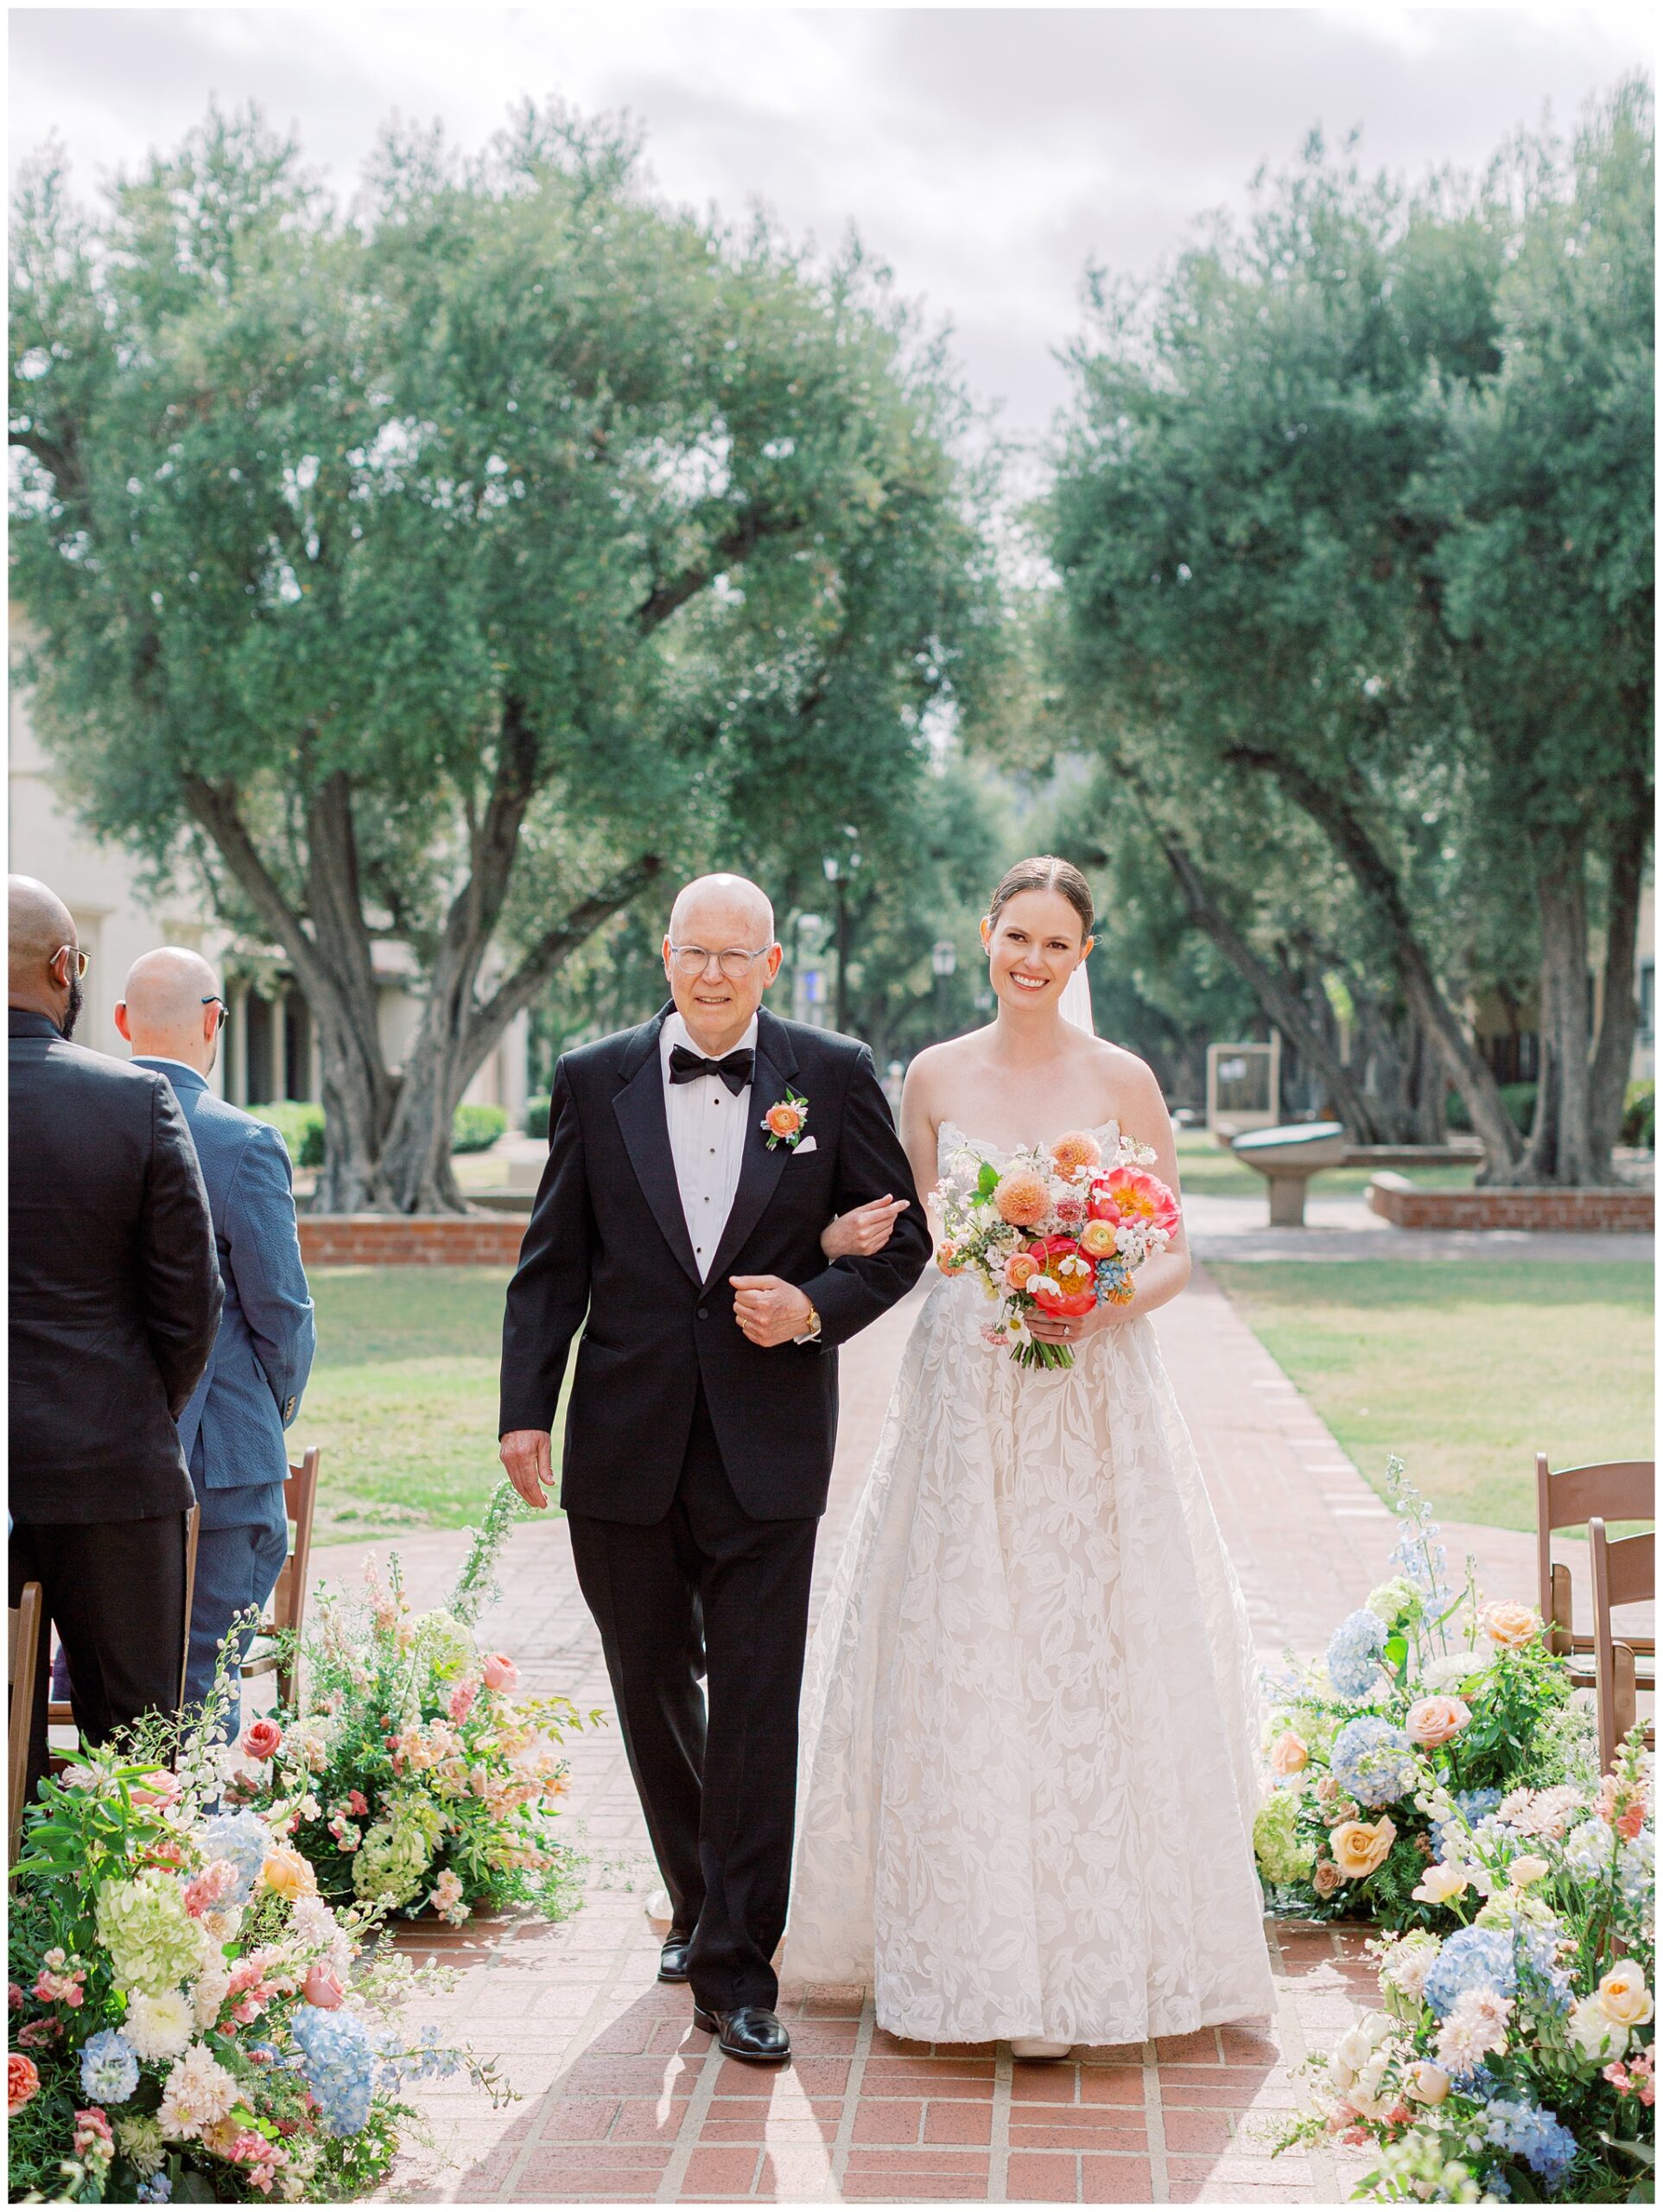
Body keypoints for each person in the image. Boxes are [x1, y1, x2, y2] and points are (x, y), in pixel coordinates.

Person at [784, 855, 1275, 2056]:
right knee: (964, 1640)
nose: (1033, 961)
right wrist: (843, 1237)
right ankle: (973, 1948)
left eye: (1058, 944)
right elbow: (918, 1238)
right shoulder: (935, 1074)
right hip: (964, 1391)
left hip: (1094, 1393)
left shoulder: (1125, 1079)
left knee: (1090, 1642)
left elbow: (1167, 1252)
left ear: (1083, 957)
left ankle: (1096, 1955)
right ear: (986, 933)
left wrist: (1102, 1306)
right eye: (1018, 937)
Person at [498, 874, 930, 2065]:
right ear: (667, 956)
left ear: (772, 962)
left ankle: (741, 1967)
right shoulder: (594, 1077)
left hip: (768, 1441)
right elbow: (553, 1262)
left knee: (752, 1704)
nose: (714, 974)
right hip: (624, 1443)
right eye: (696, 953)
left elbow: (901, 1242)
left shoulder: (832, 1074)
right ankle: (696, 1897)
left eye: (736, 956)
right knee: (647, 1680)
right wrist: (525, 1409)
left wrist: (811, 1306)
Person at [8, 877, 222, 1802]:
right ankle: (123, 1945)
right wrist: (137, 1408)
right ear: (65, 966)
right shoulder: (131, 1100)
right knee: (135, 1758)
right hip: (112, 1466)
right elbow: (190, 1305)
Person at [116, 947, 316, 1733]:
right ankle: (189, 1850)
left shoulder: (75, 1122)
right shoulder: (242, 1143)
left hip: (95, 1458)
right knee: (204, 1681)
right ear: (213, 1022)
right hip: (221, 1457)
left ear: (124, 1023)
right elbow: (282, 1311)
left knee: (111, 1683)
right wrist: (274, 1406)